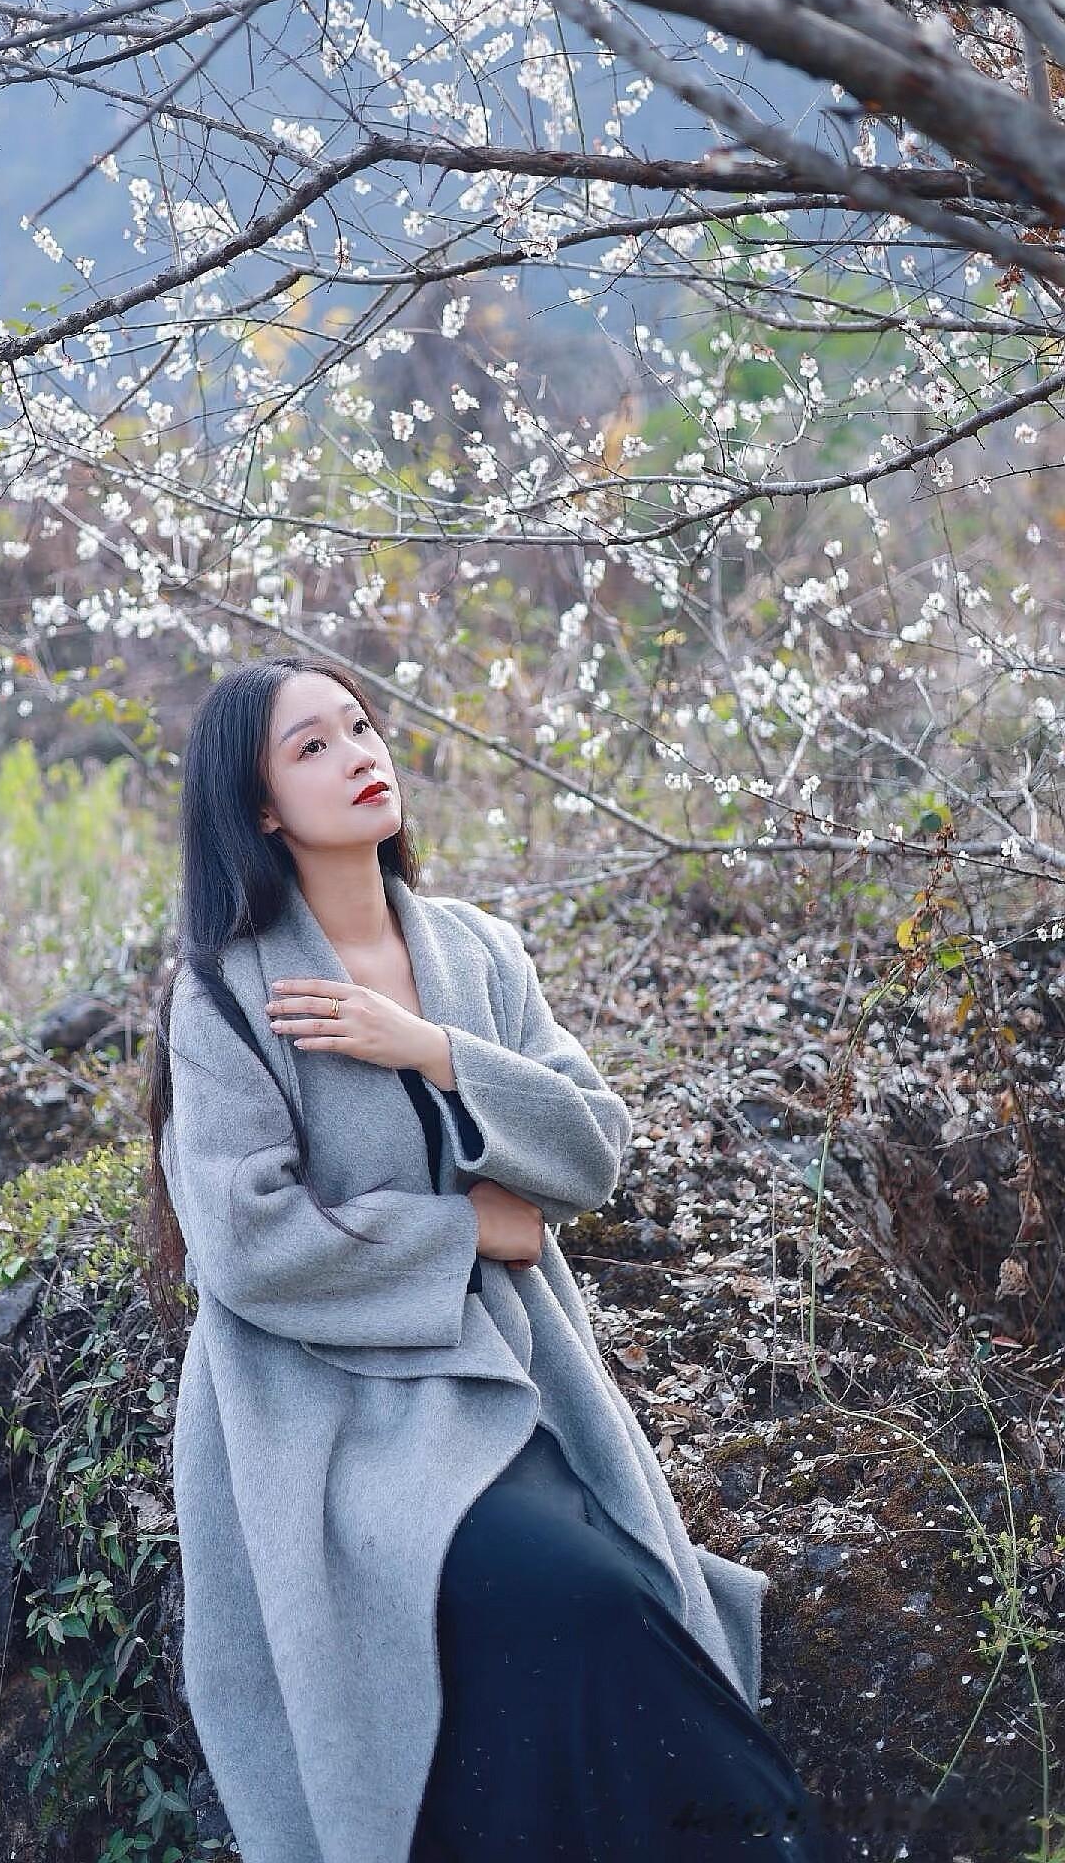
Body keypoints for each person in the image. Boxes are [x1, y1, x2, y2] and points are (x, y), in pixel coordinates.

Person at [143, 656, 831, 1863]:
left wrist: (431, 1049)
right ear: (259, 807)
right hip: (328, 1410)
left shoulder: (478, 954)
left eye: (360, 725)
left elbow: (590, 1147)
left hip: (510, 1366)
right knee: (567, 1598)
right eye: (311, 747)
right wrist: (468, 1230)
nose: (359, 754)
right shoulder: (226, 997)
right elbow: (245, 1244)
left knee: (606, 1600)